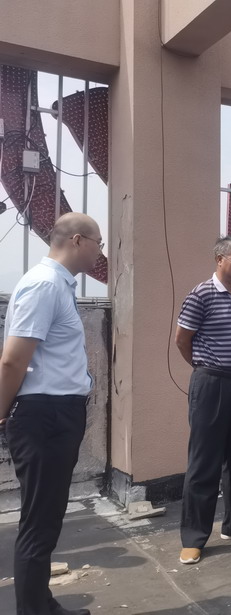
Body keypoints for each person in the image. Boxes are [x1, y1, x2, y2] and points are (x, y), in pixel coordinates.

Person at [0, 212, 103, 615]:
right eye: (97, 243)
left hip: (57, 413)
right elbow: (13, 360)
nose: (99, 252)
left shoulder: (58, 285)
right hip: (44, 415)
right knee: (39, 522)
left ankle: (42, 604)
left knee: (47, 517)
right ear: (77, 240)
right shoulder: (44, 285)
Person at [175, 236, 231, 565]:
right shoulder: (201, 294)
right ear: (219, 259)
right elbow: (182, 340)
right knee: (204, 462)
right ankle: (193, 537)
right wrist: (204, 369)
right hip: (211, 383)